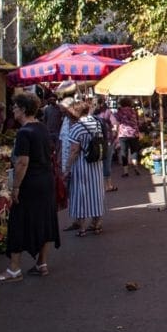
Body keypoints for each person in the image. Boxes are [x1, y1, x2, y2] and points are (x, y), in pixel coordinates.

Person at [0, 92, 60, 282]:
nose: (12, 110)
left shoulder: (24, 132)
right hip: (46, 180)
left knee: (19, 221)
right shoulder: (42, 128)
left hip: (30, 182)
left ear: (22, 109)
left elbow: (22, 162)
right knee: (45, 219)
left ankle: (14, 269)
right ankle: (42, 263)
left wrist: (15, 188)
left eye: (14, 107)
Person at [63, 100, 105, 236]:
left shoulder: (77, 127)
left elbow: (74, 150)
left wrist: (67, 168)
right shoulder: (97, 122)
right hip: (96, 163)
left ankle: (81, 228)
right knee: (96, 193)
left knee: (80, 194)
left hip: (82, 164)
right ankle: (97, 224)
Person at [114, 98, 141, 177]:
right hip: (134, 133)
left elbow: (117, 123)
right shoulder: (134, 111)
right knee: (134, 151)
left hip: (123, 134)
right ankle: (136, 167)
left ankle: (126, 171)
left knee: (124, 152)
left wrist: (116, 133)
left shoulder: (119, 112)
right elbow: (137, 122)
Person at [95, 100, 117, 192]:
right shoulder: (107, 112)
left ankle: (100, 186)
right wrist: (115, 134)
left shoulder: (90, 114)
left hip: (95, 143)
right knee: (107, 162)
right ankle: (108, 185)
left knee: (97, 164)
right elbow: (115, 124)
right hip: (107, 141)